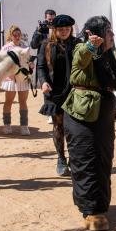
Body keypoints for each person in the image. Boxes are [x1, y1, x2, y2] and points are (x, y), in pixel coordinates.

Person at [63, 16, 116, 231]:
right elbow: (80, 57)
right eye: (108, 31)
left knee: (102, 160)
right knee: (85, 159)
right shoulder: (83, 47)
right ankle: (91, 210)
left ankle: (100, 205)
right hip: (82, 116)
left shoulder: (107, 57)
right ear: (94, 33)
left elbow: (109, 81)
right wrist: (91, 45)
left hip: (103, 115)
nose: (112, 36)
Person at [36, 14, 80, 176]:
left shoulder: (77, 44)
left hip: (74, 90)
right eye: (60, 29)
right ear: (55, 30)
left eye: (67, 29)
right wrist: (44, 82)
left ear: (71, 29)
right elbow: (41, 67)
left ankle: (73, 159)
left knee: (75, 128)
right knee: (58, 125)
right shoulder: (46, 45)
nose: (64, 32)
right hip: (53, 91)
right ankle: (61, 159)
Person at [1, 25, 33, 135]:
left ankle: (24, 126)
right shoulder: (6, 48)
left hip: (23, 78)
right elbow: (2, 64)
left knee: (23, 101)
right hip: (11, 79)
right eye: (15, 35)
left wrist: (31, 65)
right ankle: (7, 125)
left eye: (19, 34)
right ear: (11, 35)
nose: (17, 36)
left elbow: (28, 61)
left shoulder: (25, 47)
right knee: (8, 101)